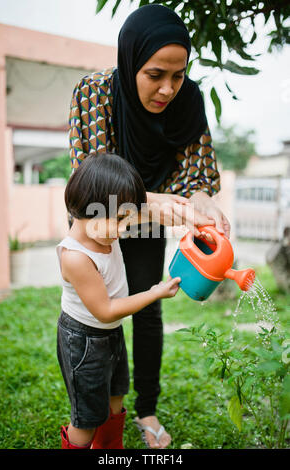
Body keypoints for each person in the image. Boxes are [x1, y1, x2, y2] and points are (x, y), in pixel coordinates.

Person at [68, 4, 230, 448]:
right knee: (97, 316)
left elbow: (197, 176)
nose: (168, 89)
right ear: (131, 60)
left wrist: (202, 202)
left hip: (147, 221)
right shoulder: (95, 93)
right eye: (155, 74)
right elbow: (88, 183)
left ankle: (146, 409)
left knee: (146, 308)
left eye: (178, 76)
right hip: (100, 220)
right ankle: (94, 409)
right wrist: (151, 202)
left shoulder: (189, 101)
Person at [56, 152, 212, 449]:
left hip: (110, 335)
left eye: (126, 218)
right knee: (86, 420)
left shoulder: (103, 229)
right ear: (89, 210)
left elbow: (146, 213)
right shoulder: (76, 257)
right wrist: (152, 294)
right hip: (84, 342)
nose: (125, 229)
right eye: (120, 220)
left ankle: (111, 451)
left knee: (115, 400)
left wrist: (185, 214)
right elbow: (105, 310)